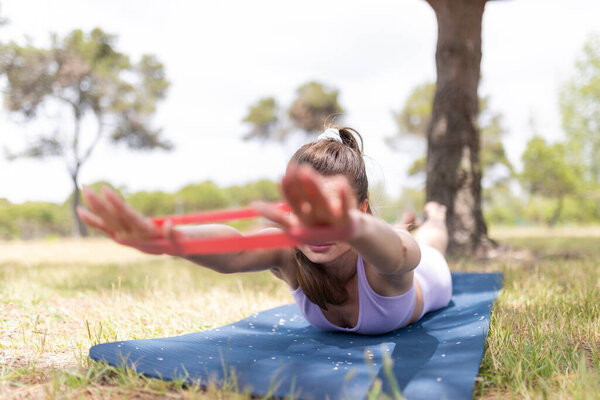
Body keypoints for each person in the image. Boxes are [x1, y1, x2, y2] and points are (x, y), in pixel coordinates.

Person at [77, 126, 452, 335]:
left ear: (362, 212)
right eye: (305, 210)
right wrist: (169, 239)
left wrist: (351, 226)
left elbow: (403, 254)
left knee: (431, 240)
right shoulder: (290, 255)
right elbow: (235, 248)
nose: (316, 228)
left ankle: (435, 215)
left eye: (330, 211)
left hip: (430, 274)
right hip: (376, 232)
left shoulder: (383, 263)